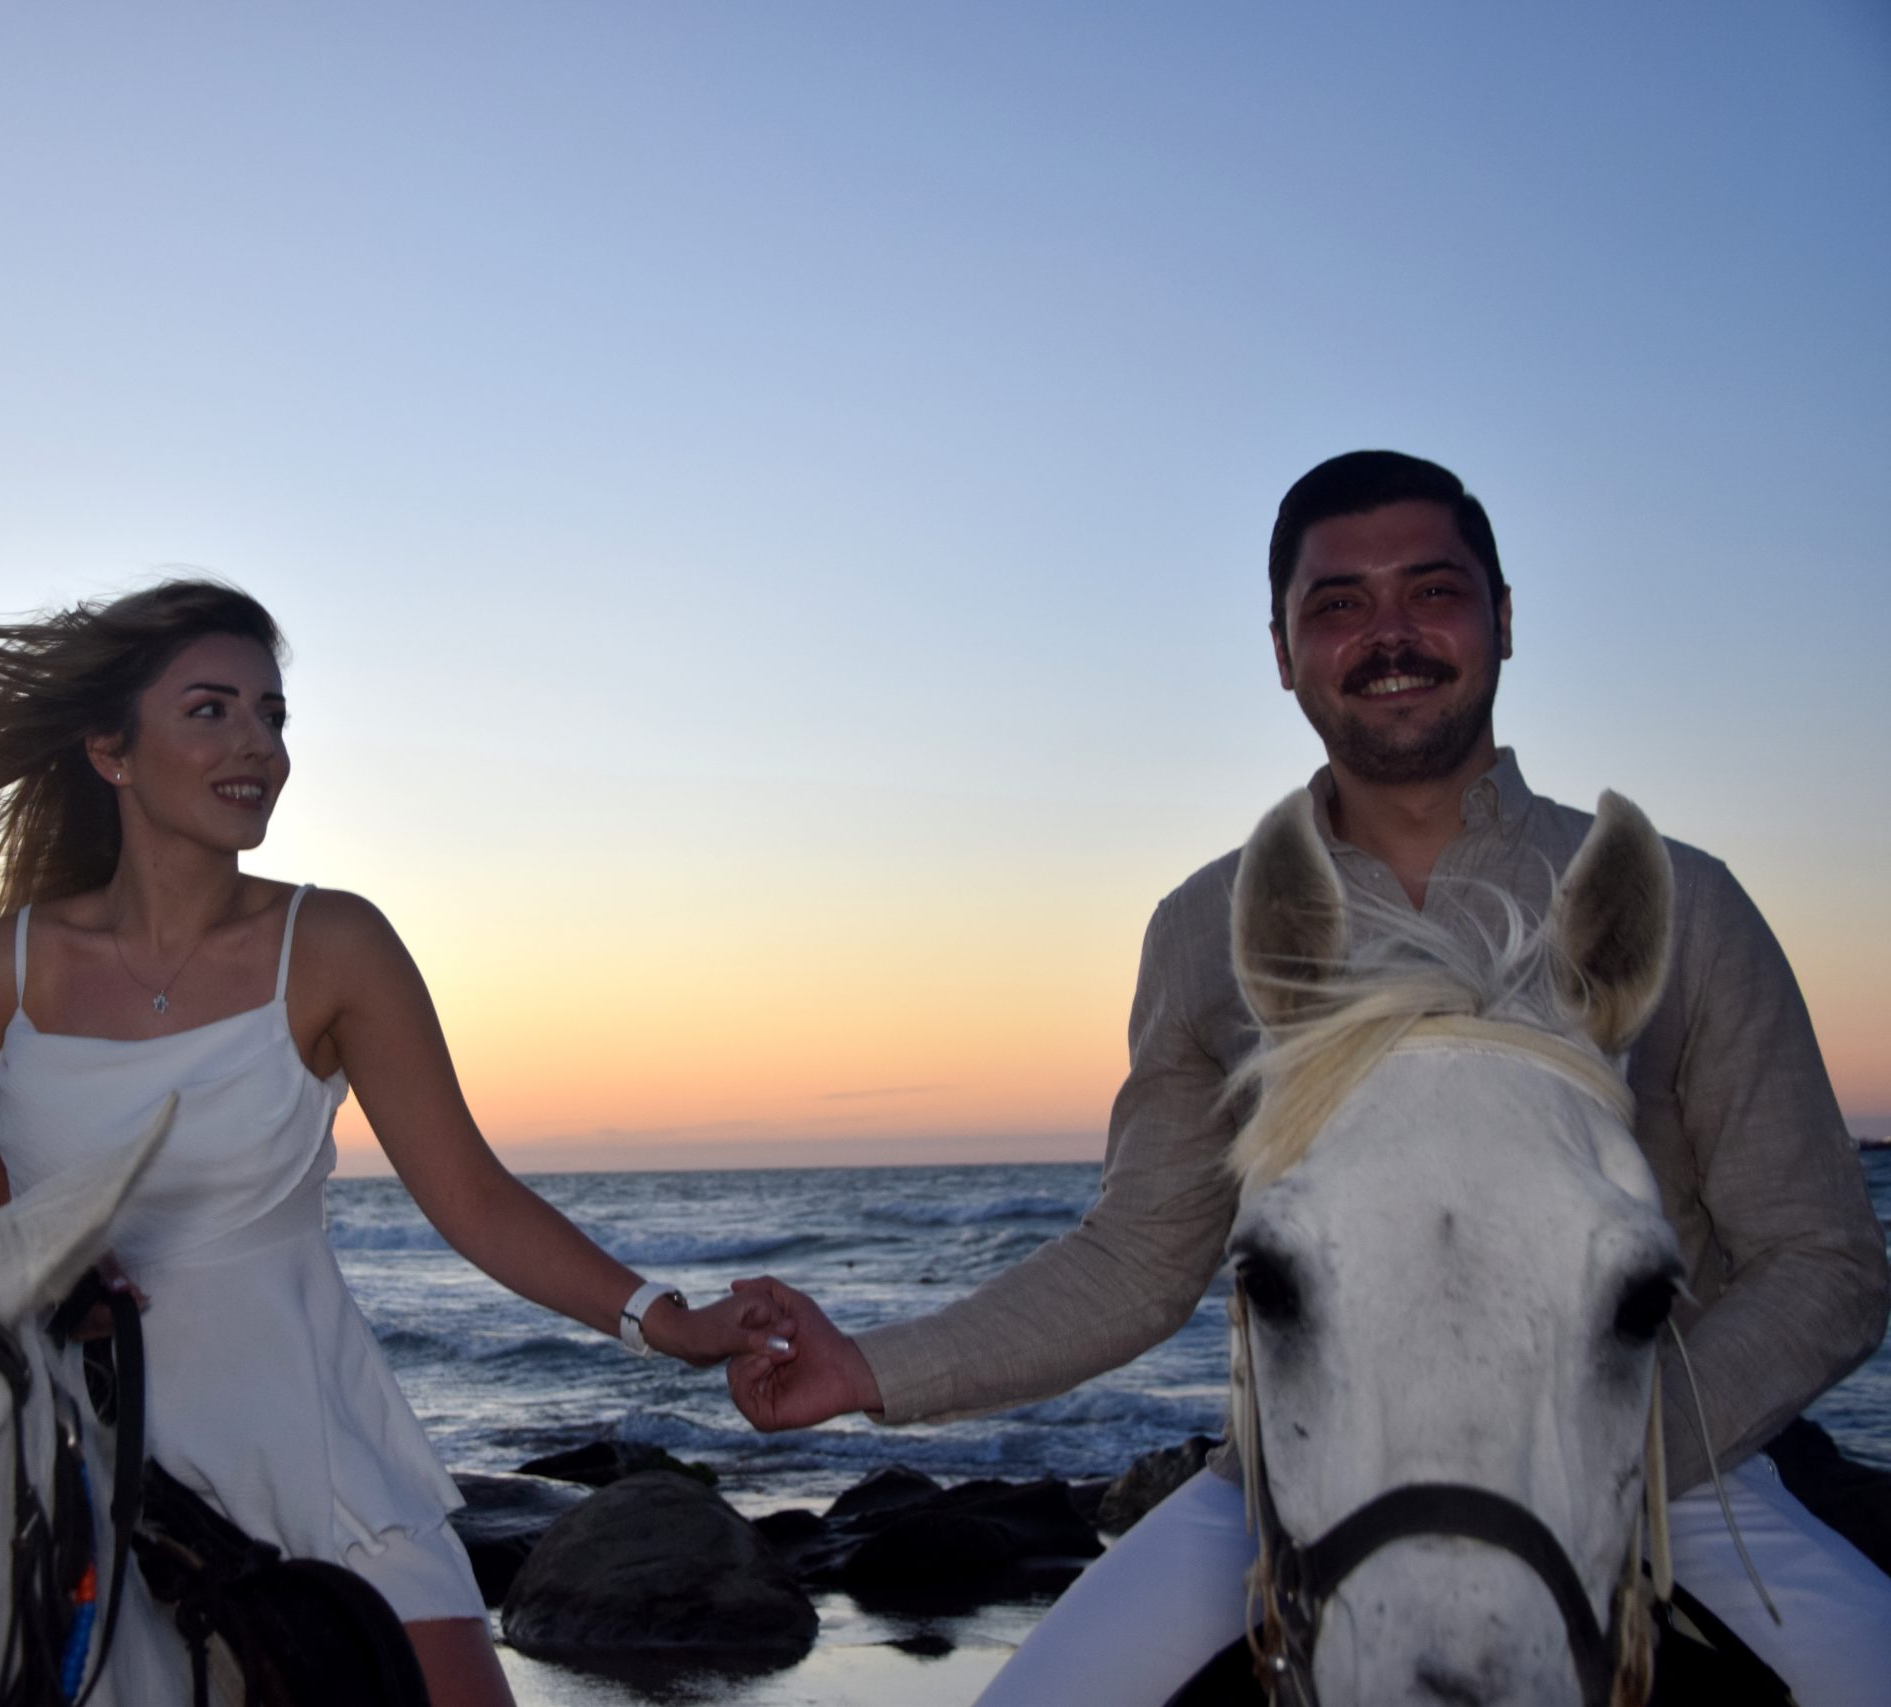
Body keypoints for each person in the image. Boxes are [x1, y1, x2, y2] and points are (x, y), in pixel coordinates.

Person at [725, 451, 1891, 1705]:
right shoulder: (1205, 929)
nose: (1389, 633)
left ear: (1503, 618)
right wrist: (873, 1371)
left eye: (1432, 591)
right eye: (1338, 605)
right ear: (1282, 652)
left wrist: (1610, 1445)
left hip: (1668, 1471)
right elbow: (1138, 1260)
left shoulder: (1687, 906)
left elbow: (1821, 1259)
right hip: (1283, 1488)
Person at [0, 536, 790, 1707]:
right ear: (111, 751)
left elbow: (472, 1197)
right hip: (67, 1455)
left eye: (272, 715)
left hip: (306, 1444)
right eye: (211, 710)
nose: (258, 745)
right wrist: (49, 1278)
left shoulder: (334, 945)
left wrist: (664, 1320)